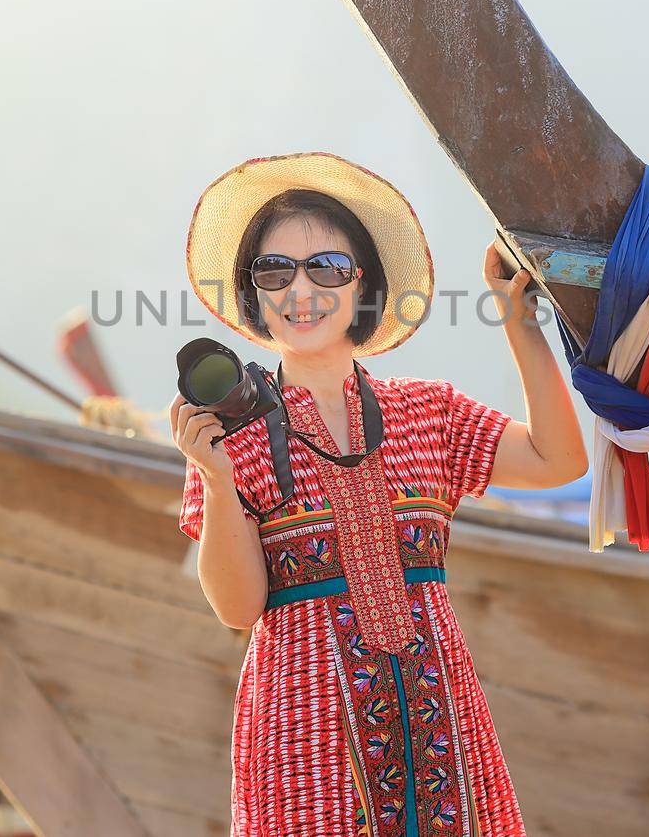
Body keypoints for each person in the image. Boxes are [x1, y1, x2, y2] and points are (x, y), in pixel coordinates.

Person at [170, 152, 588, 837]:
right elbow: (239, 607)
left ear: (361, 285)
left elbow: (558, 457)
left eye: (326, 268)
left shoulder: (430, 412)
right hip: (305, 752)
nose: (300, 289)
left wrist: (521, 324)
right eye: (275, 270)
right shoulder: (228, 439)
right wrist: (215, 476)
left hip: (442, 735)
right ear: (254, 292)